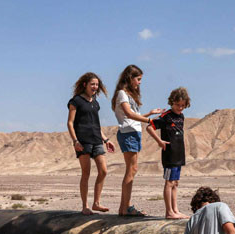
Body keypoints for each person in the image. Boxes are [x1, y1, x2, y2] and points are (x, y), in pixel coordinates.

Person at [111, 65, 162, 216]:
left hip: (133, 132)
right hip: (128, 133)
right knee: (131, 169)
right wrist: (149, 120)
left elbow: (132, 115)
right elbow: (128, 114)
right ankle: (125, 207)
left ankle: (123, 208)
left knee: (132, 169)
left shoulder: (128, 95)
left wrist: (149, 114)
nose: (139, 83)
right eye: (138, 79)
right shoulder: (121, 93)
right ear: (130, 78)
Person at [67, 72, 116, 215]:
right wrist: (75, 141)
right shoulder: (75, 101)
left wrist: (106, 140)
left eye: (96, 84)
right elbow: (70, 123)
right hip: (82, 141)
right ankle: (85, 206)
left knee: (103, 171)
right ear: (85, 85)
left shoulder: (95, 103)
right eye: (92, 84)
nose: (95, 87)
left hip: (96, 140)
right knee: (86, 173)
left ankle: (96, 203)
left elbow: (96, 125)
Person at [147, 87, 189, 219]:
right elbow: (149, 127)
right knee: (169, 182)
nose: (180, 108)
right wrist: (159, 141)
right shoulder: (166, 116)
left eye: (183, 105)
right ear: (172, 102)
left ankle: (175, 210)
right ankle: (168, 211)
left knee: (175, 182)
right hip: (169, 155)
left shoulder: (181, 116)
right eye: (178, 105)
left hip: (179, 154)